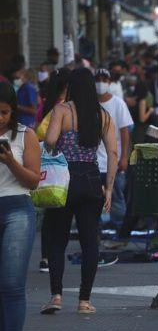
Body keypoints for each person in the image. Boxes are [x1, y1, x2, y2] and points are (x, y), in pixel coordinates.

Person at [41, 67, 117, 315]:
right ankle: (85, 300)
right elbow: (113, 154)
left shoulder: (62, 110)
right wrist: (109, 189)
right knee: (89, 242)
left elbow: (50, 140)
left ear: (71, 86)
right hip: (92, 180)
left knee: (57, 239)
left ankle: (56, 295)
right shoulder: (103, 115)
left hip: (63, 181)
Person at [0, 82, 41, 331]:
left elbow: (33, 181)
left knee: (12, 285)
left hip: (17, 209)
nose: (0, 118)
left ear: (12, 111)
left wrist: (10, 162)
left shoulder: (26, 135)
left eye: (4, 112)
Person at [36, 68, 71, 273]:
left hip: (44, 161)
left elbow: (37, 130)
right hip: (61, 162)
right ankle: (55, 254)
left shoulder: (45, 106)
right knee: (62, 210)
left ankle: (46, 257)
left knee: (49, 212)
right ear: (67, 87)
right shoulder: (64, 108)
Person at [95, 69, 133, 229]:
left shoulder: (118, 103)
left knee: (117, 197)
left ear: (110, 82)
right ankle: (97, 229)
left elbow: (125, 131)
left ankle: (119, 229)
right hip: (95, 162)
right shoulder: (89, 103)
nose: (100, 83)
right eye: (97, 79)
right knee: (96, 199)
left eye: (104, 79)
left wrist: (124, 157)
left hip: (114, 161)